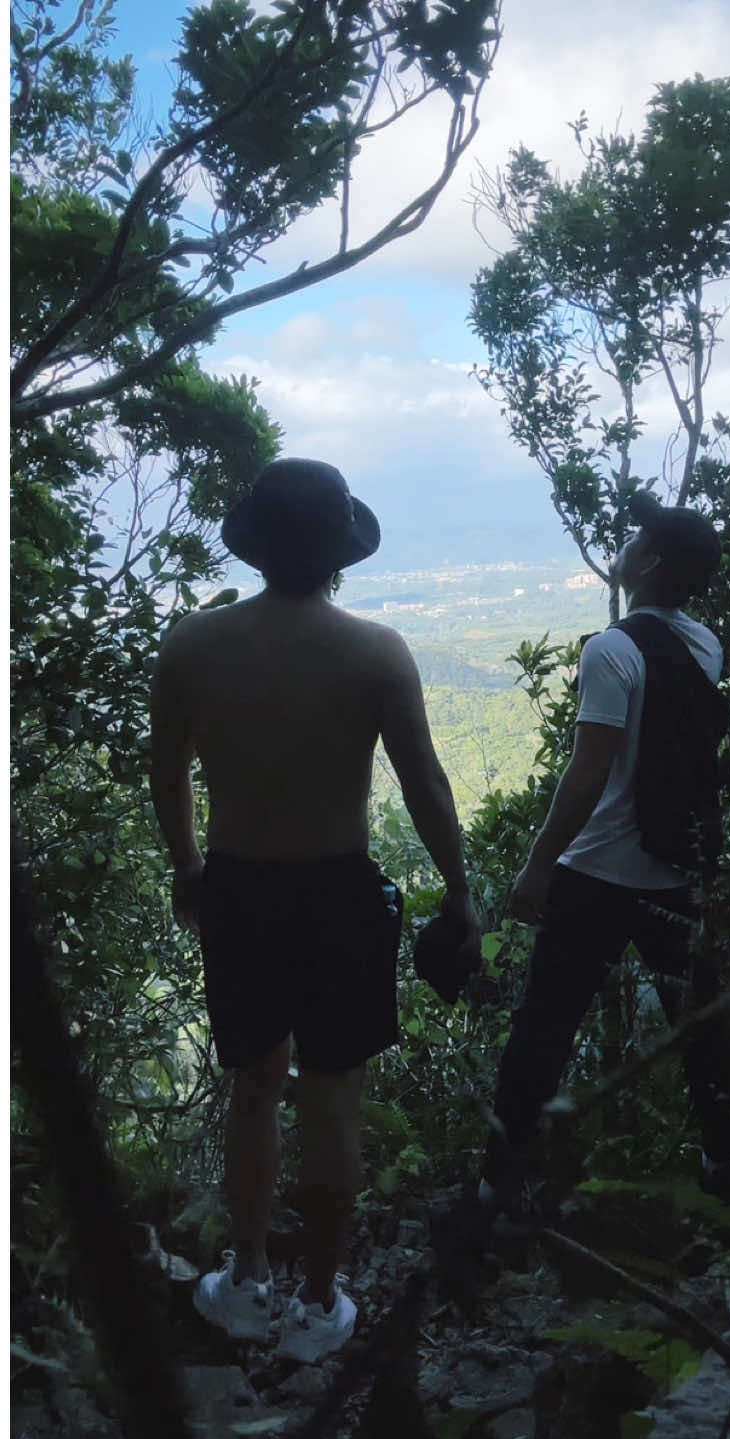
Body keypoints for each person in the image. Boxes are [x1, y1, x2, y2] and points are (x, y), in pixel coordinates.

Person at [149, 458, 479, 1361]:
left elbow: (165, 768)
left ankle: (249, 1279)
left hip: (239, 886)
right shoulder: (375, 651)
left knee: (251, 1092)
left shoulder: (192, 644)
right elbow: (428, 789)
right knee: (333, 1102)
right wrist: (459, 892)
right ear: (339, 554)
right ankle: (320, 1301)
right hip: (341, 894)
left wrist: (187, 865)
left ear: (256, 546)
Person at [479, 490, 730, 1214]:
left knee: (542, 1031)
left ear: (649, 562)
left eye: (634, 538)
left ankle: (496, 1184)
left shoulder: (611, 649)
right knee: (698, 1024)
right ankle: (725, 1168)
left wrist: (537, 864)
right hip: (674, 868)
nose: (622, 545)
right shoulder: (706, 644)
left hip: (595, 871)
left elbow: (588, 772)